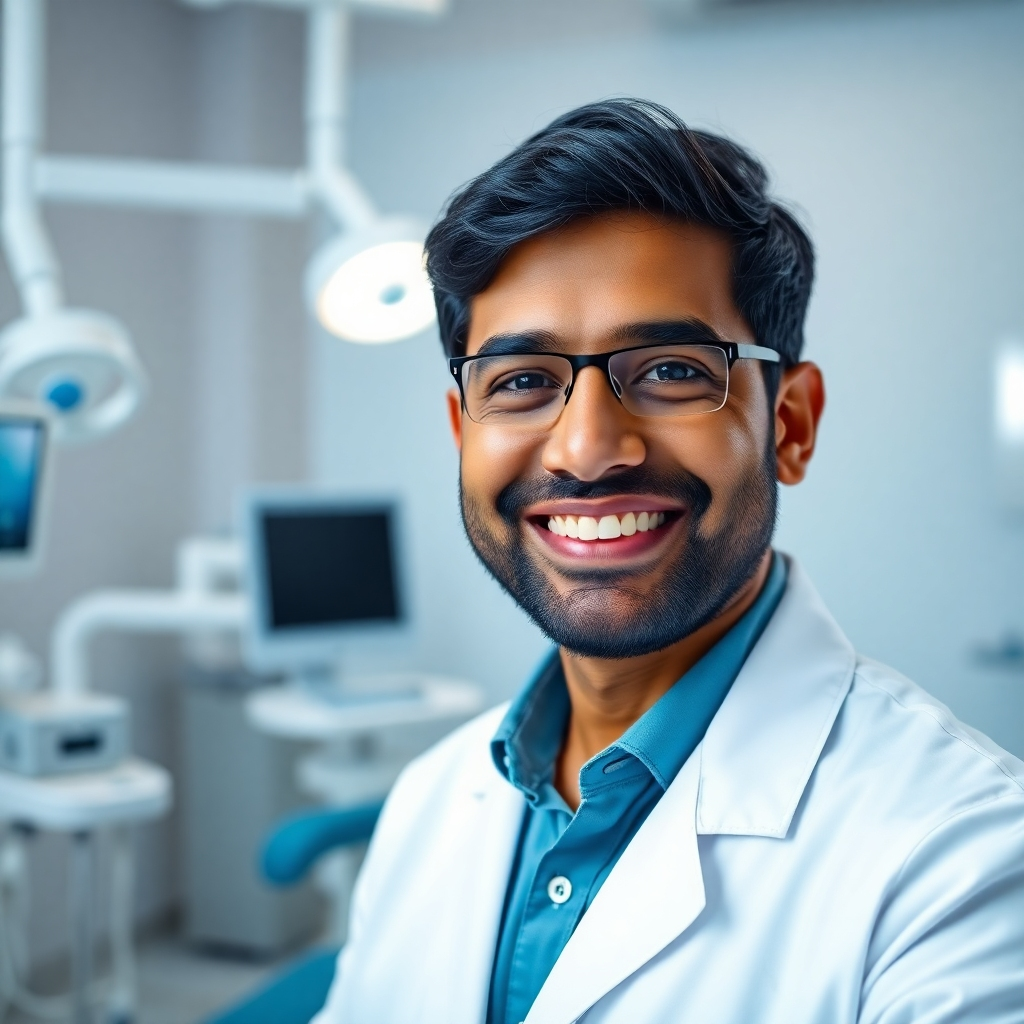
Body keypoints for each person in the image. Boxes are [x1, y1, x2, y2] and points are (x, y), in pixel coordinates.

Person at [312, 99, 1024, 1024]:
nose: (584, 450)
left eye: (672, 371)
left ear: (791, 425)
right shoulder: (434, 796)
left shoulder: (965, 858)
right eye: (521, 383)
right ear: (462, 432)